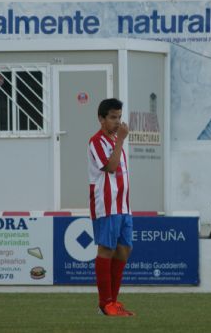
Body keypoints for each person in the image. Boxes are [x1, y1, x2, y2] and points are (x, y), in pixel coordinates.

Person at [87, 98, 134, 317]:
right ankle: (104, 304)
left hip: (123, 206)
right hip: (106, 205)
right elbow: (111, 167)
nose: (117, 122)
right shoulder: (96, 141)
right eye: (113, 117)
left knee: (124, 250)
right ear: (101, 119)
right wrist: (121, 141)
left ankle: (112, 303)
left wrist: (119, 141)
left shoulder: (116, 141)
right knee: (107, 249)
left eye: (119, 117)